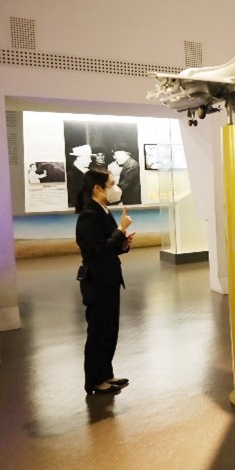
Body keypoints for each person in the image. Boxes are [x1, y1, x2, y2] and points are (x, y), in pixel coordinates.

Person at [75, 168, 135, 395]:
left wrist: (123, 243)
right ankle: (94, 381)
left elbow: (110, 246)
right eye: (111, 184)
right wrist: (120, 230)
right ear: (98, 188)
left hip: (109, 279)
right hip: (97, 281)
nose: (115, 188)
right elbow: (97, 250)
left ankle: (106, 374)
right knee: (98, 331)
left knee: (109, 329)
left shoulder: (103, 211)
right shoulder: (89, 215)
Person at [67, 144, 93, 208]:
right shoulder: (71, 176)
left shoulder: (87, 173)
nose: (90, 160)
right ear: (79, 158)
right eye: (88, 158)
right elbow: (75, 199)